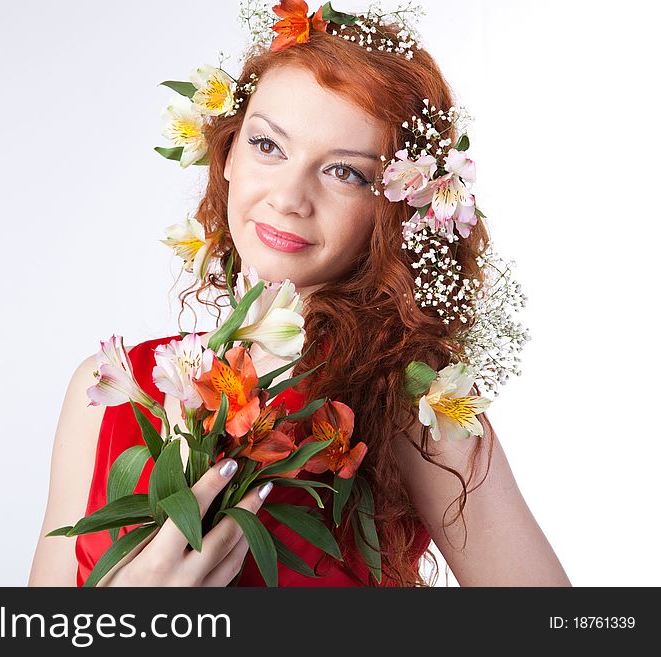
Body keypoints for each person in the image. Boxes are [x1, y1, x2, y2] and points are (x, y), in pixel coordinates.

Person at [28, 2, 570, 587]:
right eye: (268, 145)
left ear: (390, 210)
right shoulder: (109, 387)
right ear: (229, 153)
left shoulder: (412, 403)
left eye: (345, 172)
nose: (289, 197)